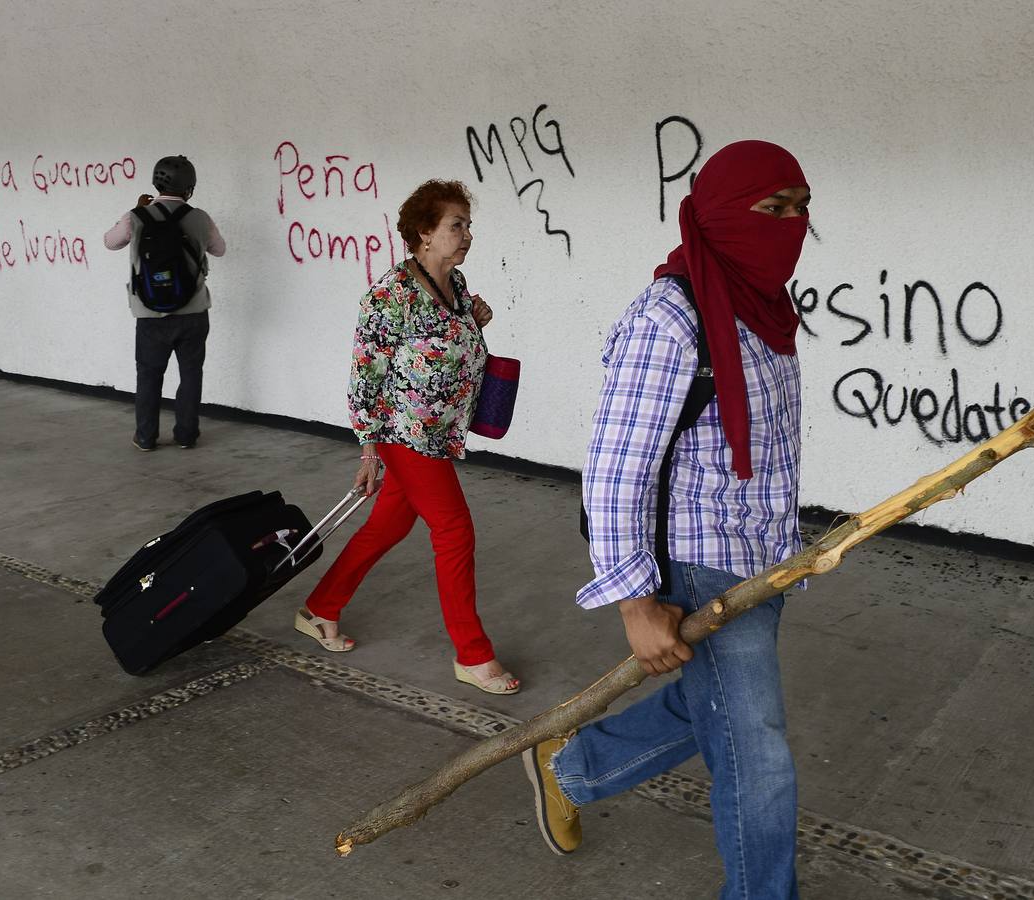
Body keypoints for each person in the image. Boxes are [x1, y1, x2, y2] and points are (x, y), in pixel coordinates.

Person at [523, 141, 812, 898]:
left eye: (799, 207)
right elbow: (618, 467)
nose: (791, 224)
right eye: (771, 208)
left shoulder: (765, 306)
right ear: (718, 216)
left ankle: (571, 767)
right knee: (758, 753)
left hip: (759, 556)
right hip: (696, 559)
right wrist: (634, 600)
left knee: (706, 704)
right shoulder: (670, 318)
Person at [294, 179, 520, 695]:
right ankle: (472, 654)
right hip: (405, 432)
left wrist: (477, 320)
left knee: (388, 527)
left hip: (439, 433)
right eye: (455, 225)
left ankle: (319, 608)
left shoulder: (456, 285)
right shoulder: (389, 295)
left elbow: (450, 344)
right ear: (424, 233)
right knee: (455, 530)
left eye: (468, 225)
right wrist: (369, 447)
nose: (466, 235)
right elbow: (365, 374)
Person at [104, 155, 226, 451]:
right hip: (194, 313)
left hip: (149, 314)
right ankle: (186, 435)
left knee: (148, 375)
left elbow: (110, 242)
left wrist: (139, 211)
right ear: (190, 187)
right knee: (190, 374)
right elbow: (220, 250)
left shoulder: (137, 216)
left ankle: (146, 437)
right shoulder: (199, 217)